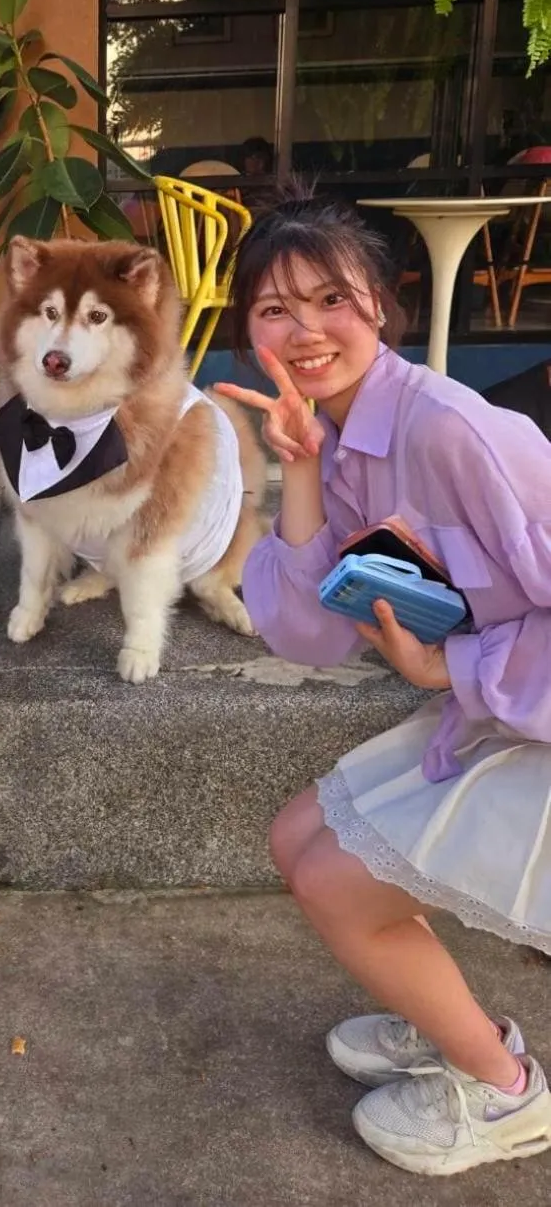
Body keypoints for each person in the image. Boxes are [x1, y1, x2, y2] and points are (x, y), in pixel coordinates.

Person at [215, 187, 551, 1177]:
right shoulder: (337, 433)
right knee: (297, 838)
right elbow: (306, 633)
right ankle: (445, 1018)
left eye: (332, 299)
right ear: (249, 334)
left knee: (337, 884)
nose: (306, 330)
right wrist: (298, 468)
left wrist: (448, 664)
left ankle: (505, 1090)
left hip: (531, 714)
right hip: (495, 707)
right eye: (275, 309)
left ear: (380, 304)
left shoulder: (452, 430)